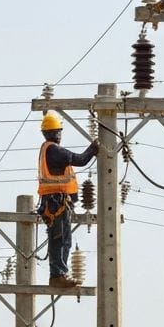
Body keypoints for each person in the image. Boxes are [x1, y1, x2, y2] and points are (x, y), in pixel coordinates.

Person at [38, 112, 98, 287]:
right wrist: (94, 148)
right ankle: (58, 275)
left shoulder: (47, 150)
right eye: (59, 132)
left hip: (55, 202)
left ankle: (59, 274)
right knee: (60, 239)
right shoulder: (54, 151)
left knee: (62, 239)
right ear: (55, 132)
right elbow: (80, 160)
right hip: (56, 202)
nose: (60, 135)